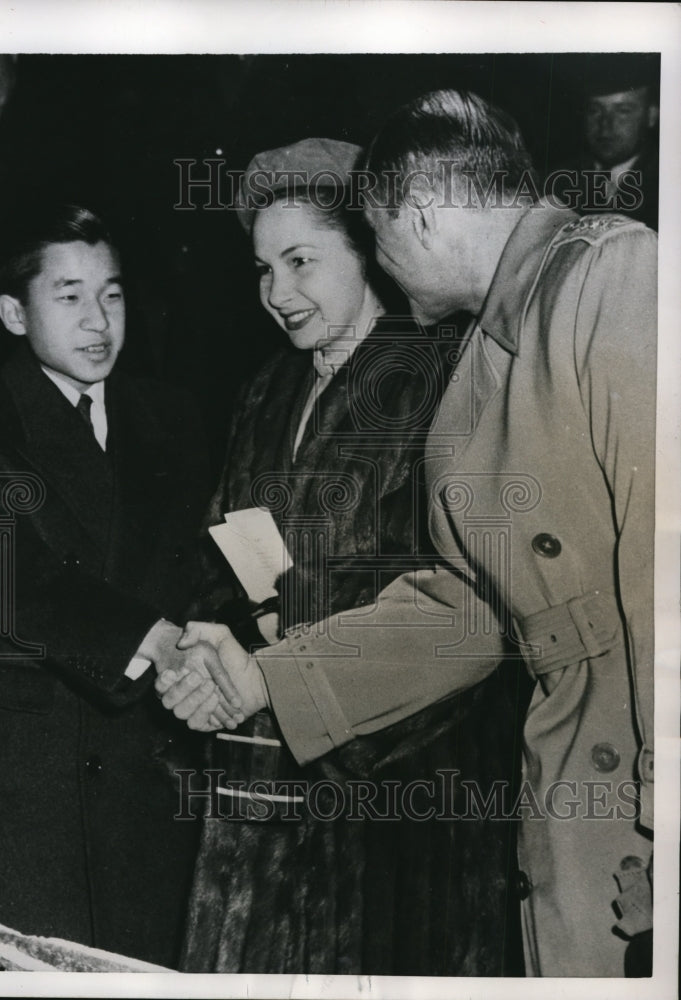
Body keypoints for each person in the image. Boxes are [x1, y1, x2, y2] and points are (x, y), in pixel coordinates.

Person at [160, 93, 657, 978]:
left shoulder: (612, 274)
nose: (382, 268)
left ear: (416, 216)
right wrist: (260, 675)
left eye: (371, 238)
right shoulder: (478, 367)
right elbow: (467, 607)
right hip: (568, 795)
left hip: (628, 796)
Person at [158, 139, 525, 975]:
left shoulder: (440, 372)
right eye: (261, 269)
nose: (276, 294)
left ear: (366, 252)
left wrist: (290, 680)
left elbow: (465, 607)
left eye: (300, 262)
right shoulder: (264, 390)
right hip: (273, 779)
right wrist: (223, 645)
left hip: (407, 792)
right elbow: (232, 544)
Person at [0, 204, 217, 967]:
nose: (98, 321)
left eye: (111, 294)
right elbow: (7, 573)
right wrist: (158, 641)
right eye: (70, 295)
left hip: (148, 783)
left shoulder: (173, 416)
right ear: (13, 313)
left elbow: (207, 562)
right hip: (20, 796)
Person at [549, 54, 659, 230]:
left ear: (652, 115)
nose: (605, 125)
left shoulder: (666, 185)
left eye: (622, 111)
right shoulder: (557, 183)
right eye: (595, 110)